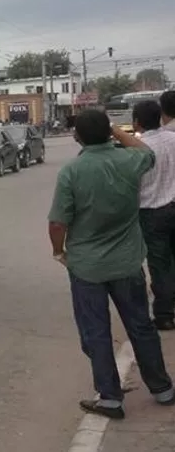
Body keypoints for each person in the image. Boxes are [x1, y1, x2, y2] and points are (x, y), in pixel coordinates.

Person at [48, 109, 175, 419]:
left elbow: (57, 223)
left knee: (96, 332)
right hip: (128, 264)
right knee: (141, 326)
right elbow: (145, 151)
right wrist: (116, 131)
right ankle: (162, 388)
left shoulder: (72, 172)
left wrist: (58, 251)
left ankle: (110, 398)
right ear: (109, 133)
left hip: (87, 268)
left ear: (77, 137)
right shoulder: (129, 161)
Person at [132, 100, 175, 330]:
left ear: (137, 121)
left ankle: (165, 315)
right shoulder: (173, 139)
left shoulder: (138, 147)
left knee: (160, 264)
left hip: (152, 212)